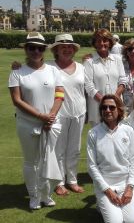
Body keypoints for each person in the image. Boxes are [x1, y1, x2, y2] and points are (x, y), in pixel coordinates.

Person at [8, 32, 64, 209]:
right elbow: (17, 100)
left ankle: (46, 195)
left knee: (47, 159)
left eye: (39, 48)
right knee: (31, 161)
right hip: (28, 124)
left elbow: (60, 95)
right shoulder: (17, 72)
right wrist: (41, 116)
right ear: (26, 49)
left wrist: (50, 116)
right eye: (32, 47)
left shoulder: (53, 70)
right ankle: (33, 195)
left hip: (50, 124)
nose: (36, 51)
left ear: (44, 50)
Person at [87, 94, 134, 223]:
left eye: (112, 107)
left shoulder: (128, 130)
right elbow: (92, 166)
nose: (108, 110)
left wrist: (130, 188)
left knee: (131, 221)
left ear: (119, 110)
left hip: (125, 184)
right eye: (104, 107)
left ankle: (104, 206)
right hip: (105, 186)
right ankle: (101, 203)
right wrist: (107, 191)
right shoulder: (93, 133)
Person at [48, 34, 86, 196]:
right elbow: (31, 69)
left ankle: (72, 180)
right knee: (59, 149)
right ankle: (59, 182)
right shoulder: (49, 67)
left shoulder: (82, 67)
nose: (67, 49)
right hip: (58, 114)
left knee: (75, 149)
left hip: (79, 112)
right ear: (56, 49)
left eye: (70, 47)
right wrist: (17, 67)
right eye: (63, 46)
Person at [84, 28, 127, 127]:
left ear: (110, 42)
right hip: (97, 109)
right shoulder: (89, 61)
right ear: (94, 43)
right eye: (98, 41)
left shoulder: (117, 59)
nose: (102, 43)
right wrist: (105, 102)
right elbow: (89, 87)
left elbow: (123, 80)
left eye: (105, 40)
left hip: (117, 107)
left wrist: (114, 99)